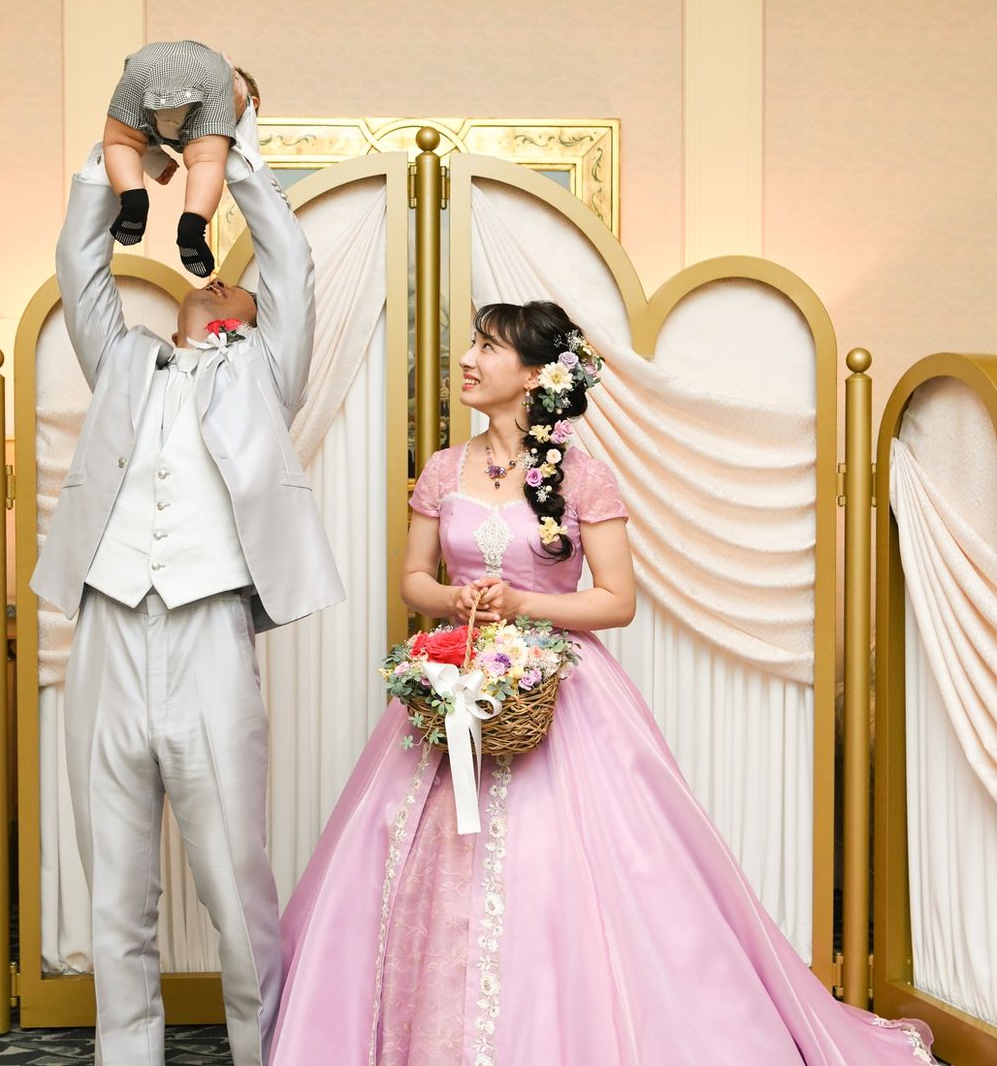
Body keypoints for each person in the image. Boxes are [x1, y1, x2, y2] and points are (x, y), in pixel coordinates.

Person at [269, 300, 935, 1064]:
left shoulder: (583, 477)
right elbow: (414, 579)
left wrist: (523, 605)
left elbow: (616, 600)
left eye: (488, 347)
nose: (468, 360)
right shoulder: (446, 469)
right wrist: (457, 600)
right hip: (457, 676)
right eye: (473, 344)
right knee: (408, 857)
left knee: (573, 871)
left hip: (564, 691)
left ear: (533, 376)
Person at [30, 79, 344, 1066]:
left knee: (233, 870)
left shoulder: (266, 371)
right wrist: (119, 149)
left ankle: (268, 1049)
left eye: (234, 287)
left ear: (252, 317)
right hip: (108, 626)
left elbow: (287, 261)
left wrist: (230, 140)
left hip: (209, 628)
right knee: (113, 879)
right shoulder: (120, 359)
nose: (217, 284)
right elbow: (79, 263)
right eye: (210, 281)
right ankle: (126, 1052)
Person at [104, 38, 260, 277]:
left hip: (144, 63)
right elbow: (246, 160)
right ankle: (192, 227)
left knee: (122, 142)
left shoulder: (170, 62)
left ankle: (133, 199)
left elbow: (142, 138)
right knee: (206, 160)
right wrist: (239, 109)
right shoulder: (228, 83)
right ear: (251, 102)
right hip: (211, 76)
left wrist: (156, 164)